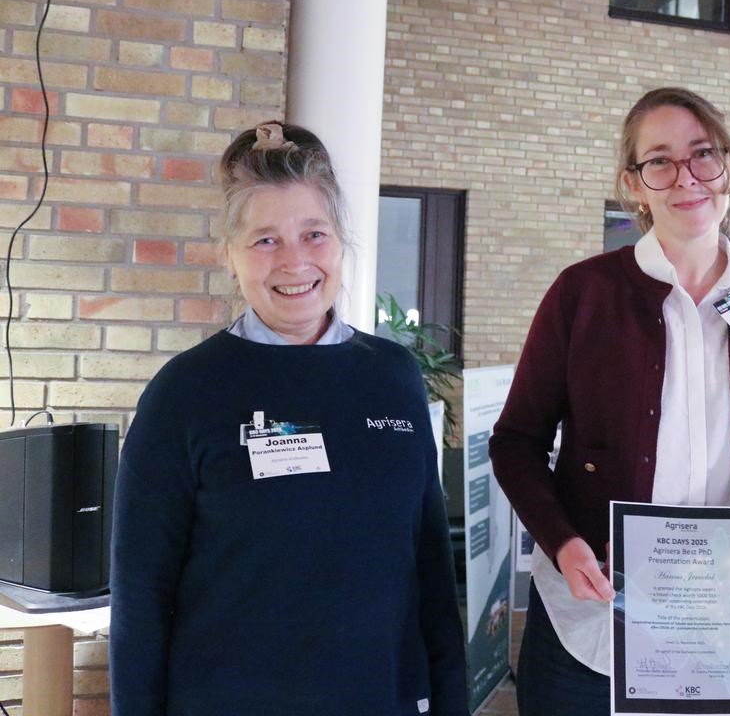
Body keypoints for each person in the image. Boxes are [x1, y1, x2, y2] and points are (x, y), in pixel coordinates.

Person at [109, 122, 466, 715]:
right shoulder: (186, 392)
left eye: (314, 233)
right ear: (230, 256)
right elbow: (141, 597)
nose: (296, 261)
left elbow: (428, 567)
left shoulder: (392, 376)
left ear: (341, 241)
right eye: (266, 240)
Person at [489, 87, 730, 715]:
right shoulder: (583, 295)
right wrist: (563, 542)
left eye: (702, 155)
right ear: (633, 184)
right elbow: (516, 441)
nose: (685, 177)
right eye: (659, 161)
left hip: (715, 628)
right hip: (590, 622)